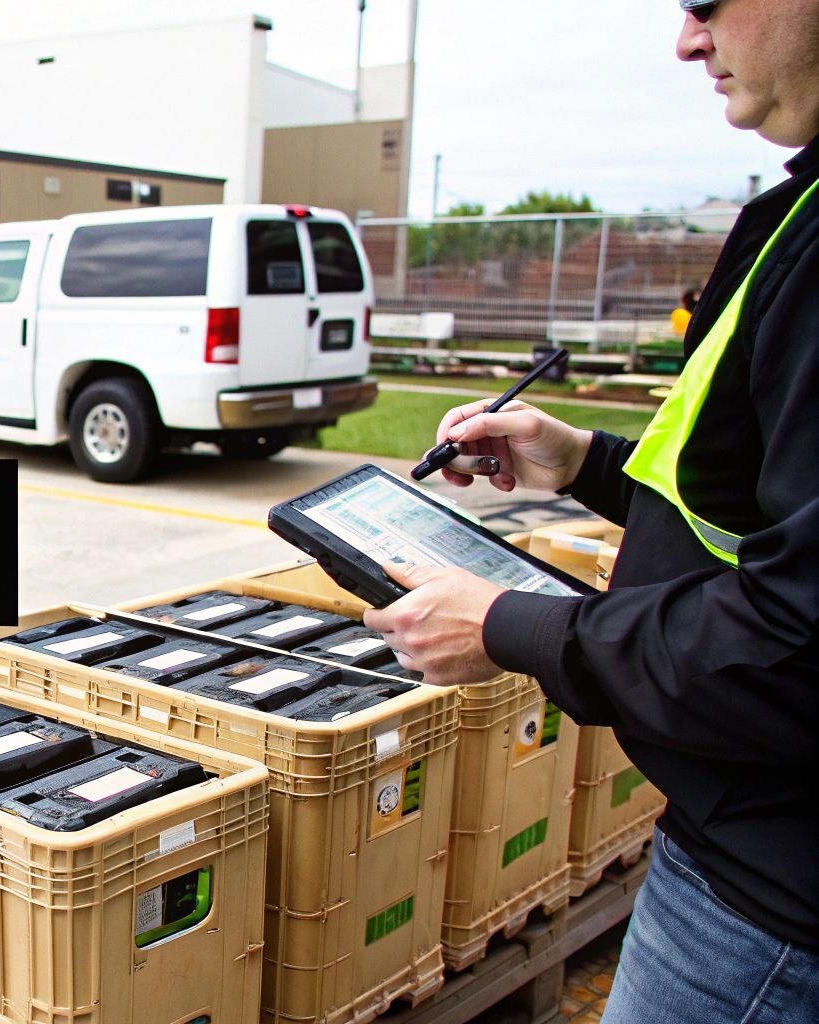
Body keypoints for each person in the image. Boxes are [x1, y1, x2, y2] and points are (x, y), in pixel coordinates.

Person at [362, 2, 819, 1020]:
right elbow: (746, 509)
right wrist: (574, 460)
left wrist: (506, 624)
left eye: (706, 2)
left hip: (770, 906)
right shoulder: (799, 205)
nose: (685, 41)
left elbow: (794, 642)